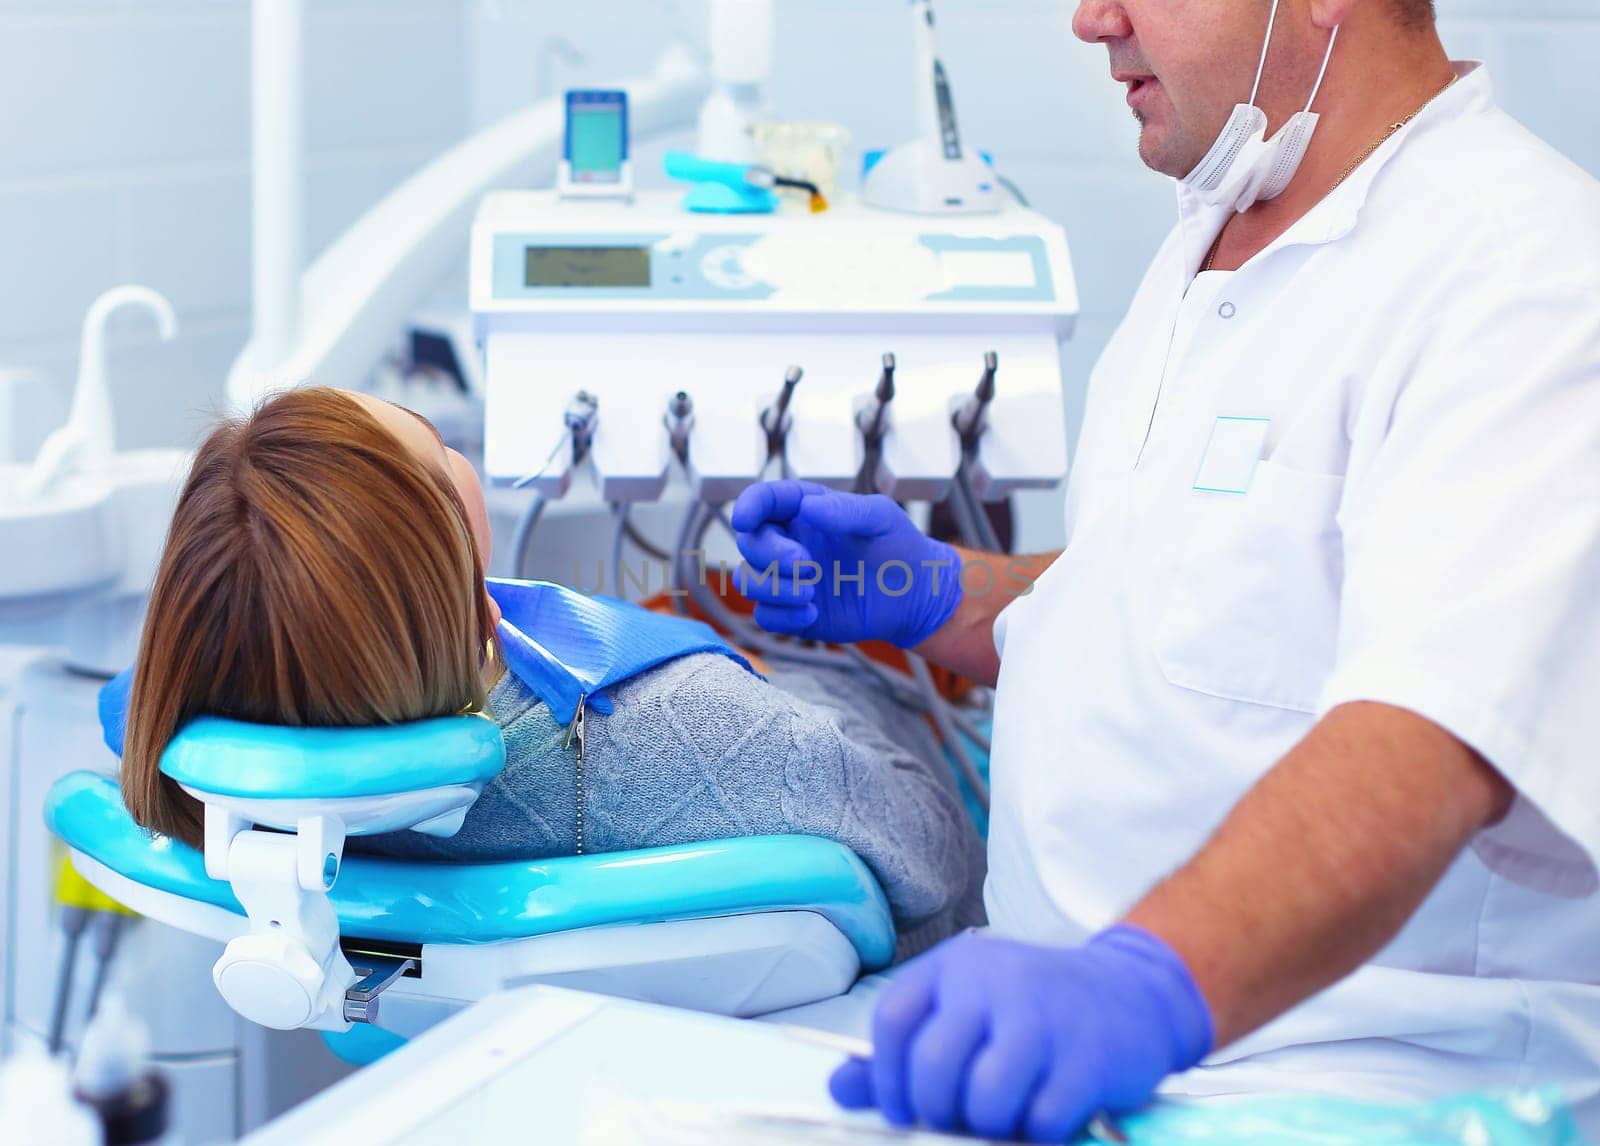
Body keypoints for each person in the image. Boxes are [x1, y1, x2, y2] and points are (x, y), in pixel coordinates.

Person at [731, 0, 1600, 1139]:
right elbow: (1204, 592)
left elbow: (1435, 735)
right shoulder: (1221, 226)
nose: (1093, 20)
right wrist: (946, 594)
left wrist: (1141, 985)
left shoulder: (1523, 279)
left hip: (1343, 1089)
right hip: (1073, 1052)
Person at [117, 386, 984, 957]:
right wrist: (810, 677)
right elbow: (941, 853)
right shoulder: (718, 727)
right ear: (467, 593)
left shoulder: (207, 758)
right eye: (426, 448)